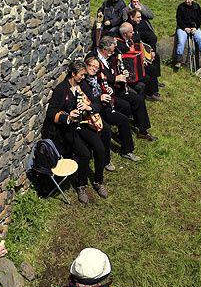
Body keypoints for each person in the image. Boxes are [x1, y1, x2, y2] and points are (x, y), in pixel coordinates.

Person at [43, 60, 108, 203]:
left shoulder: (83, 85)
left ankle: (98, 181)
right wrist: (67, 116)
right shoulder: (61, 90)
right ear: (73, 74)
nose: (84, 78)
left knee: (100, 148)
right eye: (81, 75)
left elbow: (96, 102)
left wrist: (88, 107)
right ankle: (81, 185)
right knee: (84, 154)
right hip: (67, 129)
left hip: (83, 124)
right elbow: (51, 113)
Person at [94, 36, 156, 142]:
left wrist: (122, 73)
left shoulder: (108, 56)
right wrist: (115, 78)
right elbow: (98, 77)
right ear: (104, 49)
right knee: (126, 105)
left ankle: (143, 130)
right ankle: (122, 132)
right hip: (106, 92)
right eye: (110, 51)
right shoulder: (94, 59)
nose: (112, 53)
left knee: (138, 100)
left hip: (116, 88)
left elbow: (113, 68)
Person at [83, 55, 140, 165]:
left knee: (123, 120)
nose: (94, 69)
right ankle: (105, 161)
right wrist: (99, 98)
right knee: (106, 130)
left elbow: (106, 88)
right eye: (91, 66)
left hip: (103, 107)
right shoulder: (83, 80)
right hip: (92, 113)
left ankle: (127, 151)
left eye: (96, 67)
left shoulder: (98, 77)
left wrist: (109, 90)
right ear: (86, 65)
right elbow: (85, 98)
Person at [116, 22, 159, 99]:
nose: (133, 33)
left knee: (152, 68)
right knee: (146, 76)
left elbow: (139, 46)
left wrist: (146, 57)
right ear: (125, 34)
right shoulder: (119, 45)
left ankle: (152, 92)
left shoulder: (131, 40)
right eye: (131, 32)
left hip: (137, 66)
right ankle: (145, 94)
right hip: (129, 72)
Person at [126, 0, 161, 85]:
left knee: (155, 51)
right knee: (151, 62)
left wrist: (141, 10)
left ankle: (155, 80)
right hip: (137, 44)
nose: (136, 3)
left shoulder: (142, 8)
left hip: (144, 32)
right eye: (134, 2)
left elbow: (151, 16)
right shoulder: (127, 12)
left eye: (137, 1)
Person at [174, 0, 201, 69]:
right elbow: (178, 19)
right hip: (182, 27)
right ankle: (179, 59)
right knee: (181, 41)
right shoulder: (181, 7)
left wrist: (196, 28)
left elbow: (199, 19)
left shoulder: (196, 6)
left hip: (194, 27)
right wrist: (185, 28)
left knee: (199, 38)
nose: (187, 1)